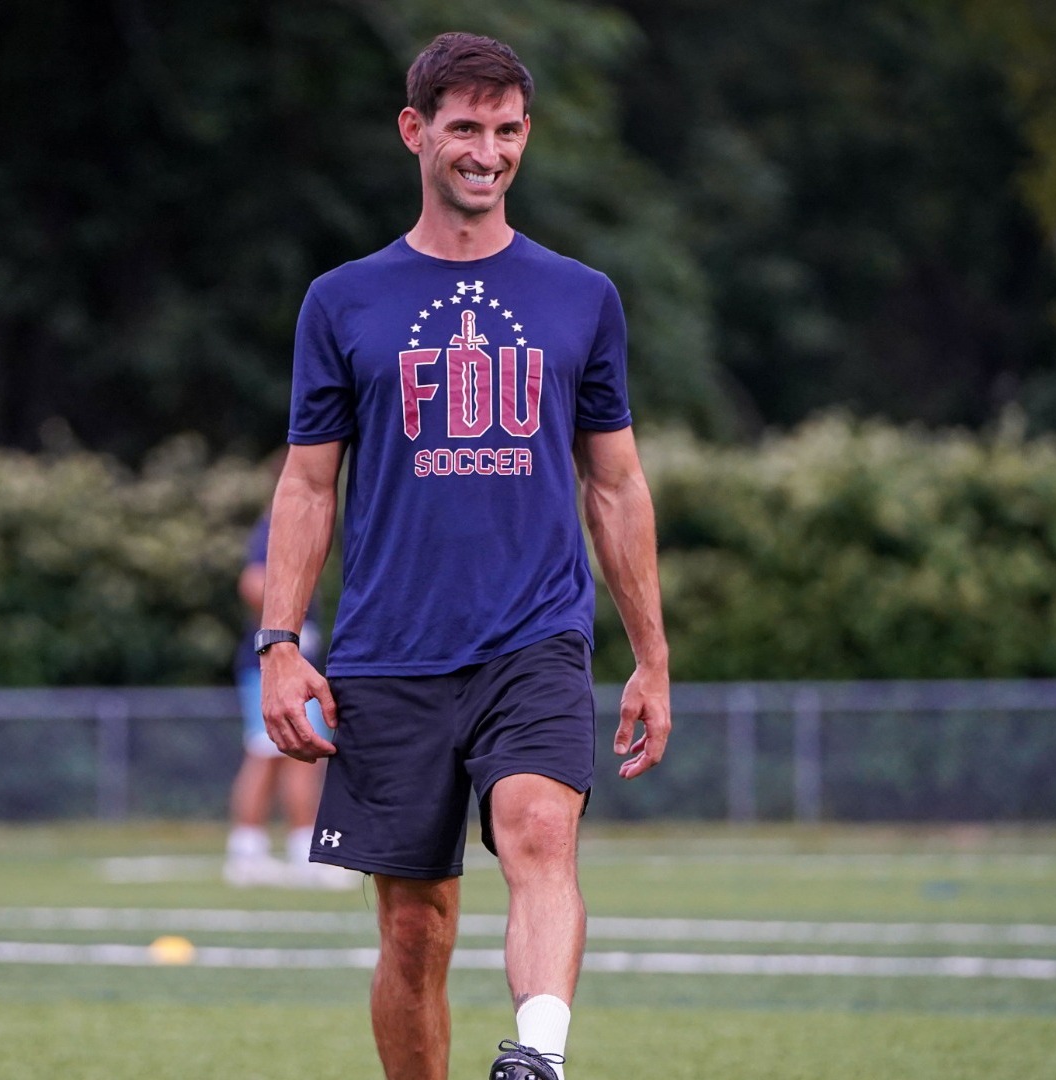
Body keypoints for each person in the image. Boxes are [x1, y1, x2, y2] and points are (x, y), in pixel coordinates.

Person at [255, 32, 671, 1080]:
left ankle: (537, 1058)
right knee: (414, 930)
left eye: (505, 130)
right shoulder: (340, 302)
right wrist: (277, 642)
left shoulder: (582, 297)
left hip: (534, 635)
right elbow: (306, 486)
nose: (485, 150)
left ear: (524, 137)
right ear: (416, 132)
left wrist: (650, 656)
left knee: (537, 832)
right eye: (463, 128)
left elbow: (614, 484)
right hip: (387, 649)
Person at [224, 503, 353, 890]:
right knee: (281, 753)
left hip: (283, 660)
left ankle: (260, 850)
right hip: (274, 663)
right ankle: (291, 853)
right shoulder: (282, 520)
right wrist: (284, 628)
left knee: (282, 755)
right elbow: (253, 582)